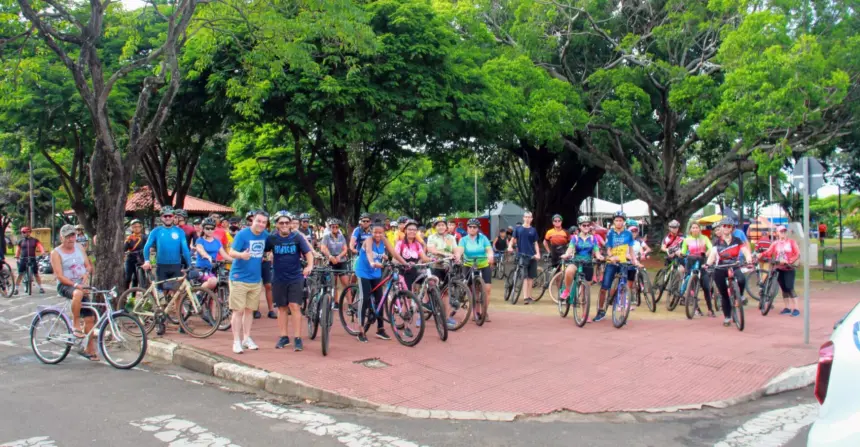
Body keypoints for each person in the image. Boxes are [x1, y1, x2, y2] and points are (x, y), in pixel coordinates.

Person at [354, 221, 410, 343]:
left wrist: (405, 263)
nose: (378, 235)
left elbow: (394, 253)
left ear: (383, 233)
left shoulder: (384, 240)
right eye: (375, 232)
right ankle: (360, 330)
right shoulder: (368, 240)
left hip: (376, 273)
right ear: (371, 232)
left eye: (380, 233)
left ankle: (380, 329)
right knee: (365, 299)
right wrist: (372, 262)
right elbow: (369, 252)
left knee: (380, 299)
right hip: (364, 271)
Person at [267, 212, 314, 351]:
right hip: (278, 277)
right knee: (281, 307)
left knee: (294, 306)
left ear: (290, 224)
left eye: (287, 223)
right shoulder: (272, 239)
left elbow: (308, 253)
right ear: (276, 225)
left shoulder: (297, 237)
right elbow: (261, 250)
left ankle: (298, 338)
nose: (284, 225)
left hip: (295, 277)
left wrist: (309, 265)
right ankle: (284, 337)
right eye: (281, 223)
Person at [227, 210, 270, 354]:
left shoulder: (265, 235)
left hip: (255, 279)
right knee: (238, 310)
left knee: (249, 310)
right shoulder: (242, 234)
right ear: (253, 220)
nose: (261, 224)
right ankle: (236, 341)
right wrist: (241, 255)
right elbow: (231, 252)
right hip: (239, 278)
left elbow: (272, 246)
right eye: (259, 221)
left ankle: (246, 338)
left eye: (264, 222)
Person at [51, 225, 96, 360]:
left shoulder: (79, 247)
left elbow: (88, 266)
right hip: (66, 285)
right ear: (61, 238)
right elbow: (59, 275)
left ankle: (89, 349)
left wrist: (86, 274)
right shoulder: (56, 253)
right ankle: (75, 324)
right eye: (68, 237)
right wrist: (76, 284)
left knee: (90, 318)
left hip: (81, 285)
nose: (71, 239)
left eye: (73, 236)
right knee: (77, 293)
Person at [142, 206, 192, 317]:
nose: (168, 218)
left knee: (177, 295)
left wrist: (189, 264)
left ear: (174, 217)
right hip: (161, 266)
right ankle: (161, 321)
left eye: (170, 216)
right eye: (166, 216)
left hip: (175, 266)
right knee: (162, 296)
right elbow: (147, 246)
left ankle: (180, 322)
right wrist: (146, 261)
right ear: (162, 217)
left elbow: (185, 249)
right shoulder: (156, 231)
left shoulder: (179, 232)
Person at [706, 218, 753, 327]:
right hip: (720, 267)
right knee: (724, 294)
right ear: (721, 228)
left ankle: (739, 296)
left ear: (732, 228)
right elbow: (712, 255)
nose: (726, 228)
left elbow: (745, 251)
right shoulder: (717, 242)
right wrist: (708, 264)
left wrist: (749, 260)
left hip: (734, 266)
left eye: (729, 226)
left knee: (741, 279)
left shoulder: (737, 240)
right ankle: (727, 316)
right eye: (724, 226)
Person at [595, 211, 641, 322]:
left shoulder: (628, 234)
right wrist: (612, 256)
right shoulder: (610, 233)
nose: (618, 222)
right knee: (604, 287)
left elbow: (630, 249)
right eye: (616, 220)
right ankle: (601, 310)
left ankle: (623, 313)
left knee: (624, 287)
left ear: (624, 222)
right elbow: (608, 248)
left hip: (623, 262)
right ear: (613, 222)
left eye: (620, 220)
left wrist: (634, 260)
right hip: (612, 262)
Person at [454, 218, 494, 324]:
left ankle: (485, 311)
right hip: (469, 264)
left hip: (483, 264)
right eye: (470, 227)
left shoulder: (483, 238)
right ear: (467, 228)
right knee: (473, 290)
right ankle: (476, 312)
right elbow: (460, 250)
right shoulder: (463, 239)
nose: (472, 229)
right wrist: (458, 256)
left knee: (487, 289)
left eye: (474, 227)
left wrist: (490, 256)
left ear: (478, 229)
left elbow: (489, 249)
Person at [759, 225, 801, 316]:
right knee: (784, 288)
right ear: (777, 233)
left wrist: (789, 261)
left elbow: (797, 253)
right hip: (778, 268)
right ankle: (787, 307)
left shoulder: (791, 242)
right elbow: (769, 252)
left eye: (784, 231)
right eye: (781, 232)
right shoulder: (775, 243)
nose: (783, 233)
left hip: (788, 267)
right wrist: (761, 255)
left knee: (790, 287)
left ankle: (796, 308)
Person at [560, 216, 603, 300]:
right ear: (579, 226)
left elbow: (597, 251)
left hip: (588, 263)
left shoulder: (593, 238)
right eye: (584, 225)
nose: (586, 227)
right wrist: (566, 254)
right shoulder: (575, 238)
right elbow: (570, 249)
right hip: (576, 261)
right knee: (569, 271)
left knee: (585, 292)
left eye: (588, 225)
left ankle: (584, 312)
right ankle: (567, 290)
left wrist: (600, 257)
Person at [680, 223, 715, 317]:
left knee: (706, 287)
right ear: (690, 229)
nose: (695, 229)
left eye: (696, 228)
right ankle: (695, 308)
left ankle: (710, 309)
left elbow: (711, 248)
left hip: (702, 263)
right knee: (691, 286)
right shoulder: (686, 240)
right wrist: (681, 254)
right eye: (693, 228)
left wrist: (707, 253)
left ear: (700, 229)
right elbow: (683, 251)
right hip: (690, 263)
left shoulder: (705, 238)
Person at [508, 211, 541, 304]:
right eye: (526, 217)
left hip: (532, 256)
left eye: (529, 217)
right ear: (523, 218)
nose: (527, 219)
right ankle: (525, 297)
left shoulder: (533, 230)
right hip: (522, 255)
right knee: (525, 277)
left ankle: (529, 295)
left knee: (531, 277)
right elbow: (512, 240)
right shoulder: (518, 229)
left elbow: (535, 243)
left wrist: (538, 253)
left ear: (531, 219)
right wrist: (510, 246)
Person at [195, 218, 233, 291]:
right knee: (213, 281)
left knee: (215, 288)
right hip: (201, 269)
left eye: (212, 228)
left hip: (213, 269)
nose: (210, 230)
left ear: (214, 229)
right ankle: (198, 294)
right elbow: (201, 250)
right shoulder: (200, 240)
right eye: (207, 228)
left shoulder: (217, 242)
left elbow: (224, 255)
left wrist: (236, 260)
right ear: (203, 229)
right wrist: (208, 256)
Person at [320, 218, 350, 307]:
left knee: (346, 283)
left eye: (336, 227)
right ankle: (335, 302)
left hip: (341, 261)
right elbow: (323, 248)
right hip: (331, 261)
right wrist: (330, 256)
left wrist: (339, 256)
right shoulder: (326, 237)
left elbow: (345, 249)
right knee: (334, 283)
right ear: (330, 227)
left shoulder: (341, 236)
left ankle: (350, 303)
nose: (335, 228)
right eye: (333, 227)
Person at [395, 221, 433, 291]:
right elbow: (395, 258)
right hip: (403, 273)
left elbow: (424, 258)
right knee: (407, 297)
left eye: (414, 230)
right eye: (410, 229)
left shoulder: (417, 244)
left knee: (430, 282)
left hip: (414, 271)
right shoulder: (400, 244)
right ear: (405, 231)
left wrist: (432, 259)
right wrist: (403, 263)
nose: (412, 231)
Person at [14, 226, 46, 294]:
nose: (23, 234)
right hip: (23, 259)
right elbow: (18, 249)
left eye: (24, 232)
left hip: (32, 258)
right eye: (22, 232)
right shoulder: (21, 241)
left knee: (36, 274)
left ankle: (41, 288)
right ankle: (16, 289)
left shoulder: (35, 240)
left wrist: (43, 252)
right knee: (20, 274)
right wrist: (16, 256)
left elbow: (40, 246)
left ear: (29, 232)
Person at [627, 225, 650, 308]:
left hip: (635, 261)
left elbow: (644, 249)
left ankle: (642, 285)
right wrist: (635, 260)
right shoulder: (626, 242)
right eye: (632, 232)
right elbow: (626, 254)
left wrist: (644, 254)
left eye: (635, 232)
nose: (634, 233)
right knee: (629, 282)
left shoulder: (638, 241)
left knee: (638, 273)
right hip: (627, 262)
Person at [123, 219, 148, 290]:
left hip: (140, 259)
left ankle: (133, 297)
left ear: (141, 227)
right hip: (130, 259)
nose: (136, 228)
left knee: (136, 279)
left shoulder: (144, 237)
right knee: (127, 277)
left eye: (138, 226)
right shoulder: (129, 238)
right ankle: (124, 294)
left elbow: (148, 246)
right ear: (131, 228)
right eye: (134, 227)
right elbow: (124, 248)